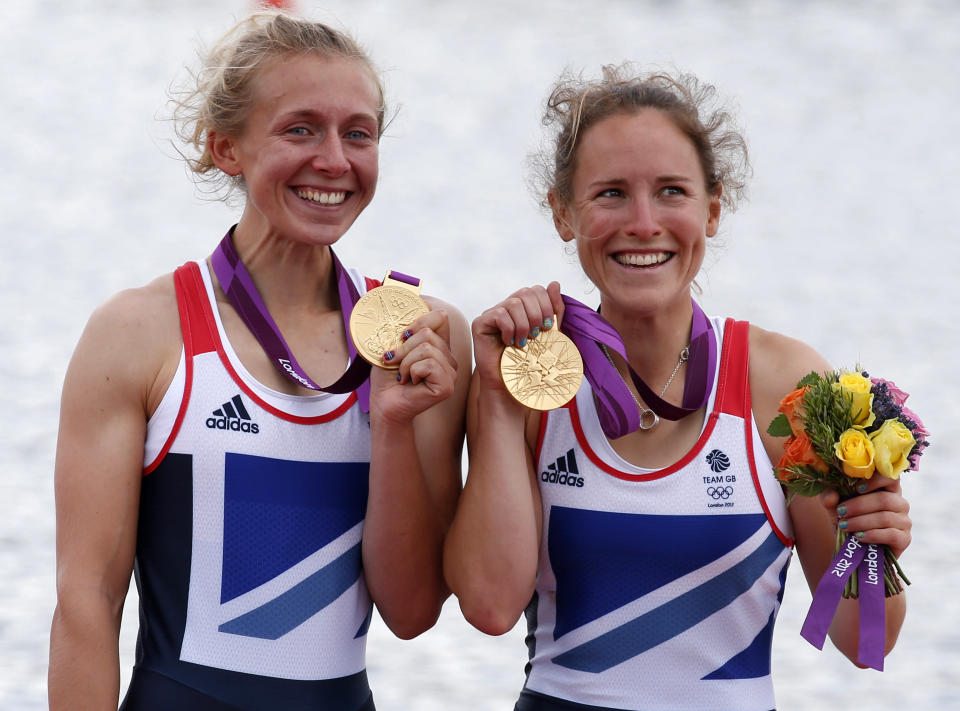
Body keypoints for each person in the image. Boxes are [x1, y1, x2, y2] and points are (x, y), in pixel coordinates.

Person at [443, 65, 911, 711]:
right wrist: (493, 400)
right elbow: (490, 608)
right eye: (610, 193)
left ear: (712, 208)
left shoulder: (786, 384)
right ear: (562, 212)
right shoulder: (529, 379)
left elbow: (865, 641)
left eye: (671, 191)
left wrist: (870, 541)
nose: (642, 222)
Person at [48, 11, 470, 711]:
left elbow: (413, 609)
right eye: (300, 128)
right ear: (226, 148)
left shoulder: (423, 338)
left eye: (357, 133)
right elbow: (86, 603)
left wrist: (392, 425)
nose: (334, 159)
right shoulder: (138, 333)